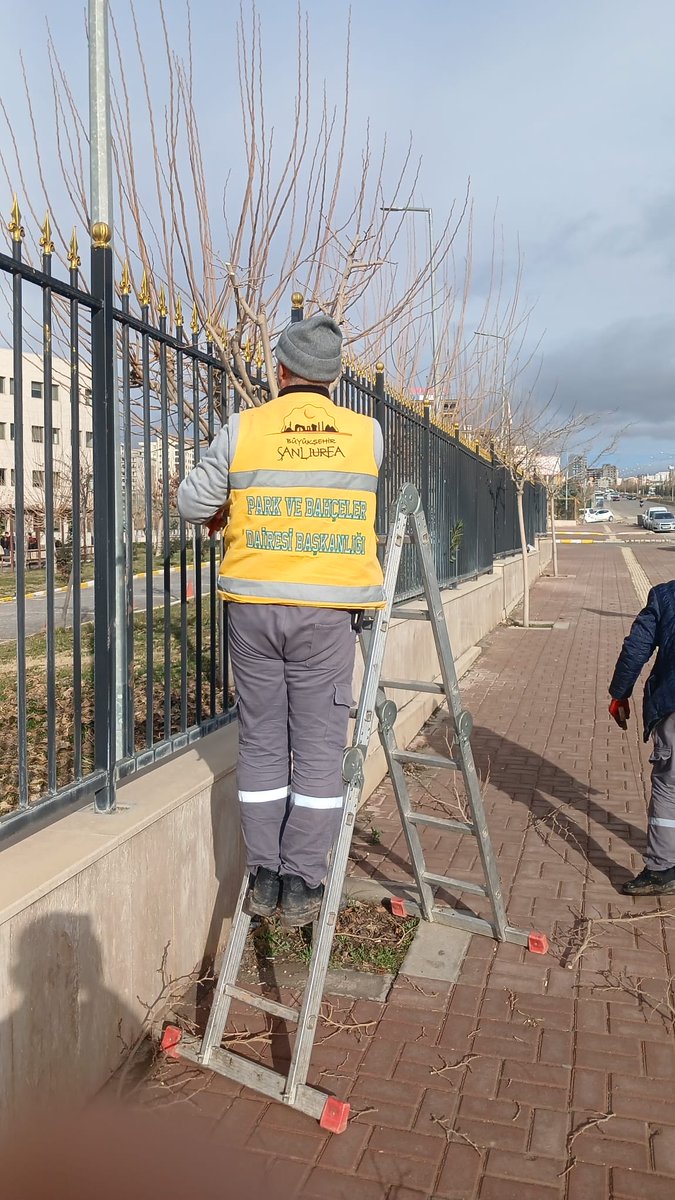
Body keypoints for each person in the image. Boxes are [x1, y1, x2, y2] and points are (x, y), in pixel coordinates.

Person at [178, 313, 384, 927]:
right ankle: (301, 883)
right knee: (318, 746)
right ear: (334, 377)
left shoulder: (244, 428)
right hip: (326, 611)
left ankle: (264, 874)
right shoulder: (368, 433)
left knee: (262, 740)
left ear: (280, 370)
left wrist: (225, 508)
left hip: (254, 607)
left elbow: (192, 502)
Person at [609, 579, 675, 894]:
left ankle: (662, 869)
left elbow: (635, 650)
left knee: (668, 786)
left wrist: (620, 694)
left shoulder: (665, 596)